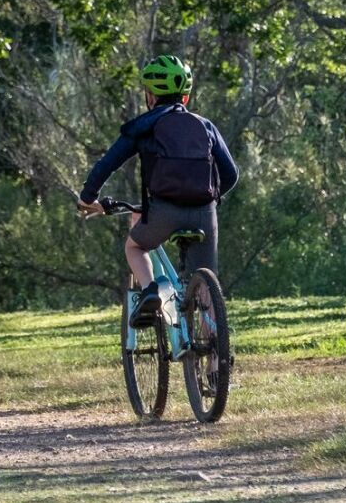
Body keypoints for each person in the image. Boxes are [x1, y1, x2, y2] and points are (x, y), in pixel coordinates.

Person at [77, 54, 238, 326]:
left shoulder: (144, 128)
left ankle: (151, 290)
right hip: (204, 214)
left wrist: (87, 198)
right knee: (206, 284)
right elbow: (231, 174)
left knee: (135, 246)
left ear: (150, 96)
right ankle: (215, 359)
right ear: (185, 98)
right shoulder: (205, 126)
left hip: (163, 212)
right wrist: (210, 196)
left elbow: (107, 164)